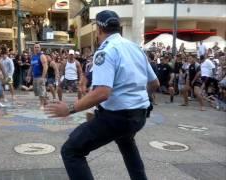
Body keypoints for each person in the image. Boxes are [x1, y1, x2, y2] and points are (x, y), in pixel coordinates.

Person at [45, 10, 159, 180]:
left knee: (71, 150)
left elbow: (102, 93)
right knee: (126, 142)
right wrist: (140, 101)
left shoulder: (105, 51)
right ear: (117, 26)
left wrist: (69, 109)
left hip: (117, 117)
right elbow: (154, 83)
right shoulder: (135, 48)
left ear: (99, 29)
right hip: (139, 115)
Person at [26, 43, 48, 110]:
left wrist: (43, 77)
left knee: (41, 91)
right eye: (35, 47)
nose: (36, 48)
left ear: (40, 48)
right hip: (35, 76)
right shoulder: (33, 56)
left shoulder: (42, 56)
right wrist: (28, 75)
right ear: (34, 48)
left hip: (40, 76)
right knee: (38, 91)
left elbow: (45, 67)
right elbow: (31, 66)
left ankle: (42, 105)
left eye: (38, 47)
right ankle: (46, 102)